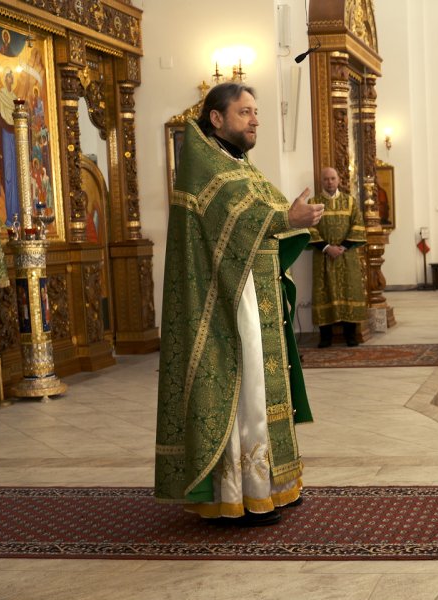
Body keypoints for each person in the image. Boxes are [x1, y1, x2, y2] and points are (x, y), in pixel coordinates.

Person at [155, 82, 323, 526]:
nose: (255, 120)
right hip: (225, 301)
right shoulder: (203, 164)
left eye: (255, 112)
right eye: (245, 112)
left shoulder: (237, 163)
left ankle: (271, 485)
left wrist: (290, 219)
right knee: (243, 387)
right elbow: (235, 216)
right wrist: (287, 217)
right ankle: (237, 494)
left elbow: (263, 211)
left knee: (263, 390)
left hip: (254, 291)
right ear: (217, 118)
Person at [310, 166, 367, 347]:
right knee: (324, 292)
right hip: (323, 257)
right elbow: (309, 228)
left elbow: (358, 225)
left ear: (339, 180)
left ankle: (351, 335)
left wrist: (342, 247)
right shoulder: (314, 202)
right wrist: (327, 247)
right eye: (326, 179)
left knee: (349, 291)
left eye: (333, 178)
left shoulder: (350, 202)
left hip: (346, 256)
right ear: (322, 181)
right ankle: (325, 337)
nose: (330, 182)